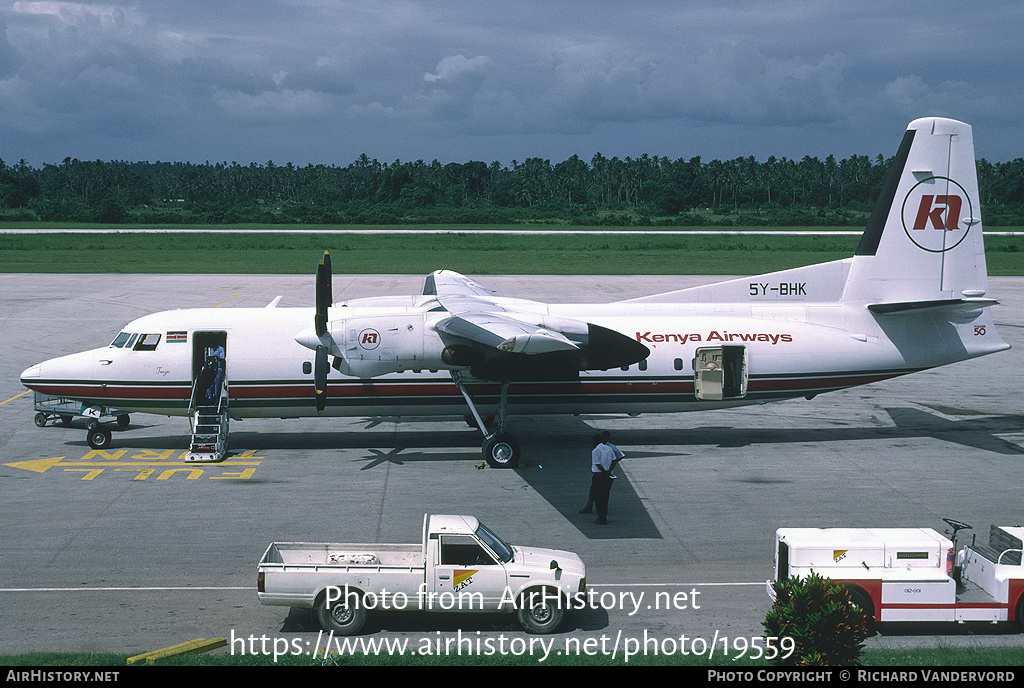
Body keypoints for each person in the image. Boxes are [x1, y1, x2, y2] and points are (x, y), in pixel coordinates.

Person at [588, 432, 624, 525]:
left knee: (598, 497)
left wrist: (604, 472)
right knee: (605, 496)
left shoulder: (595, 451)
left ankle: (601, 517)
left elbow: (598, 464)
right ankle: (604, 514)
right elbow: (615, 460)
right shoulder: (609, 448)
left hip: (599, 476)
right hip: (609, 476)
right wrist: (609, 471)